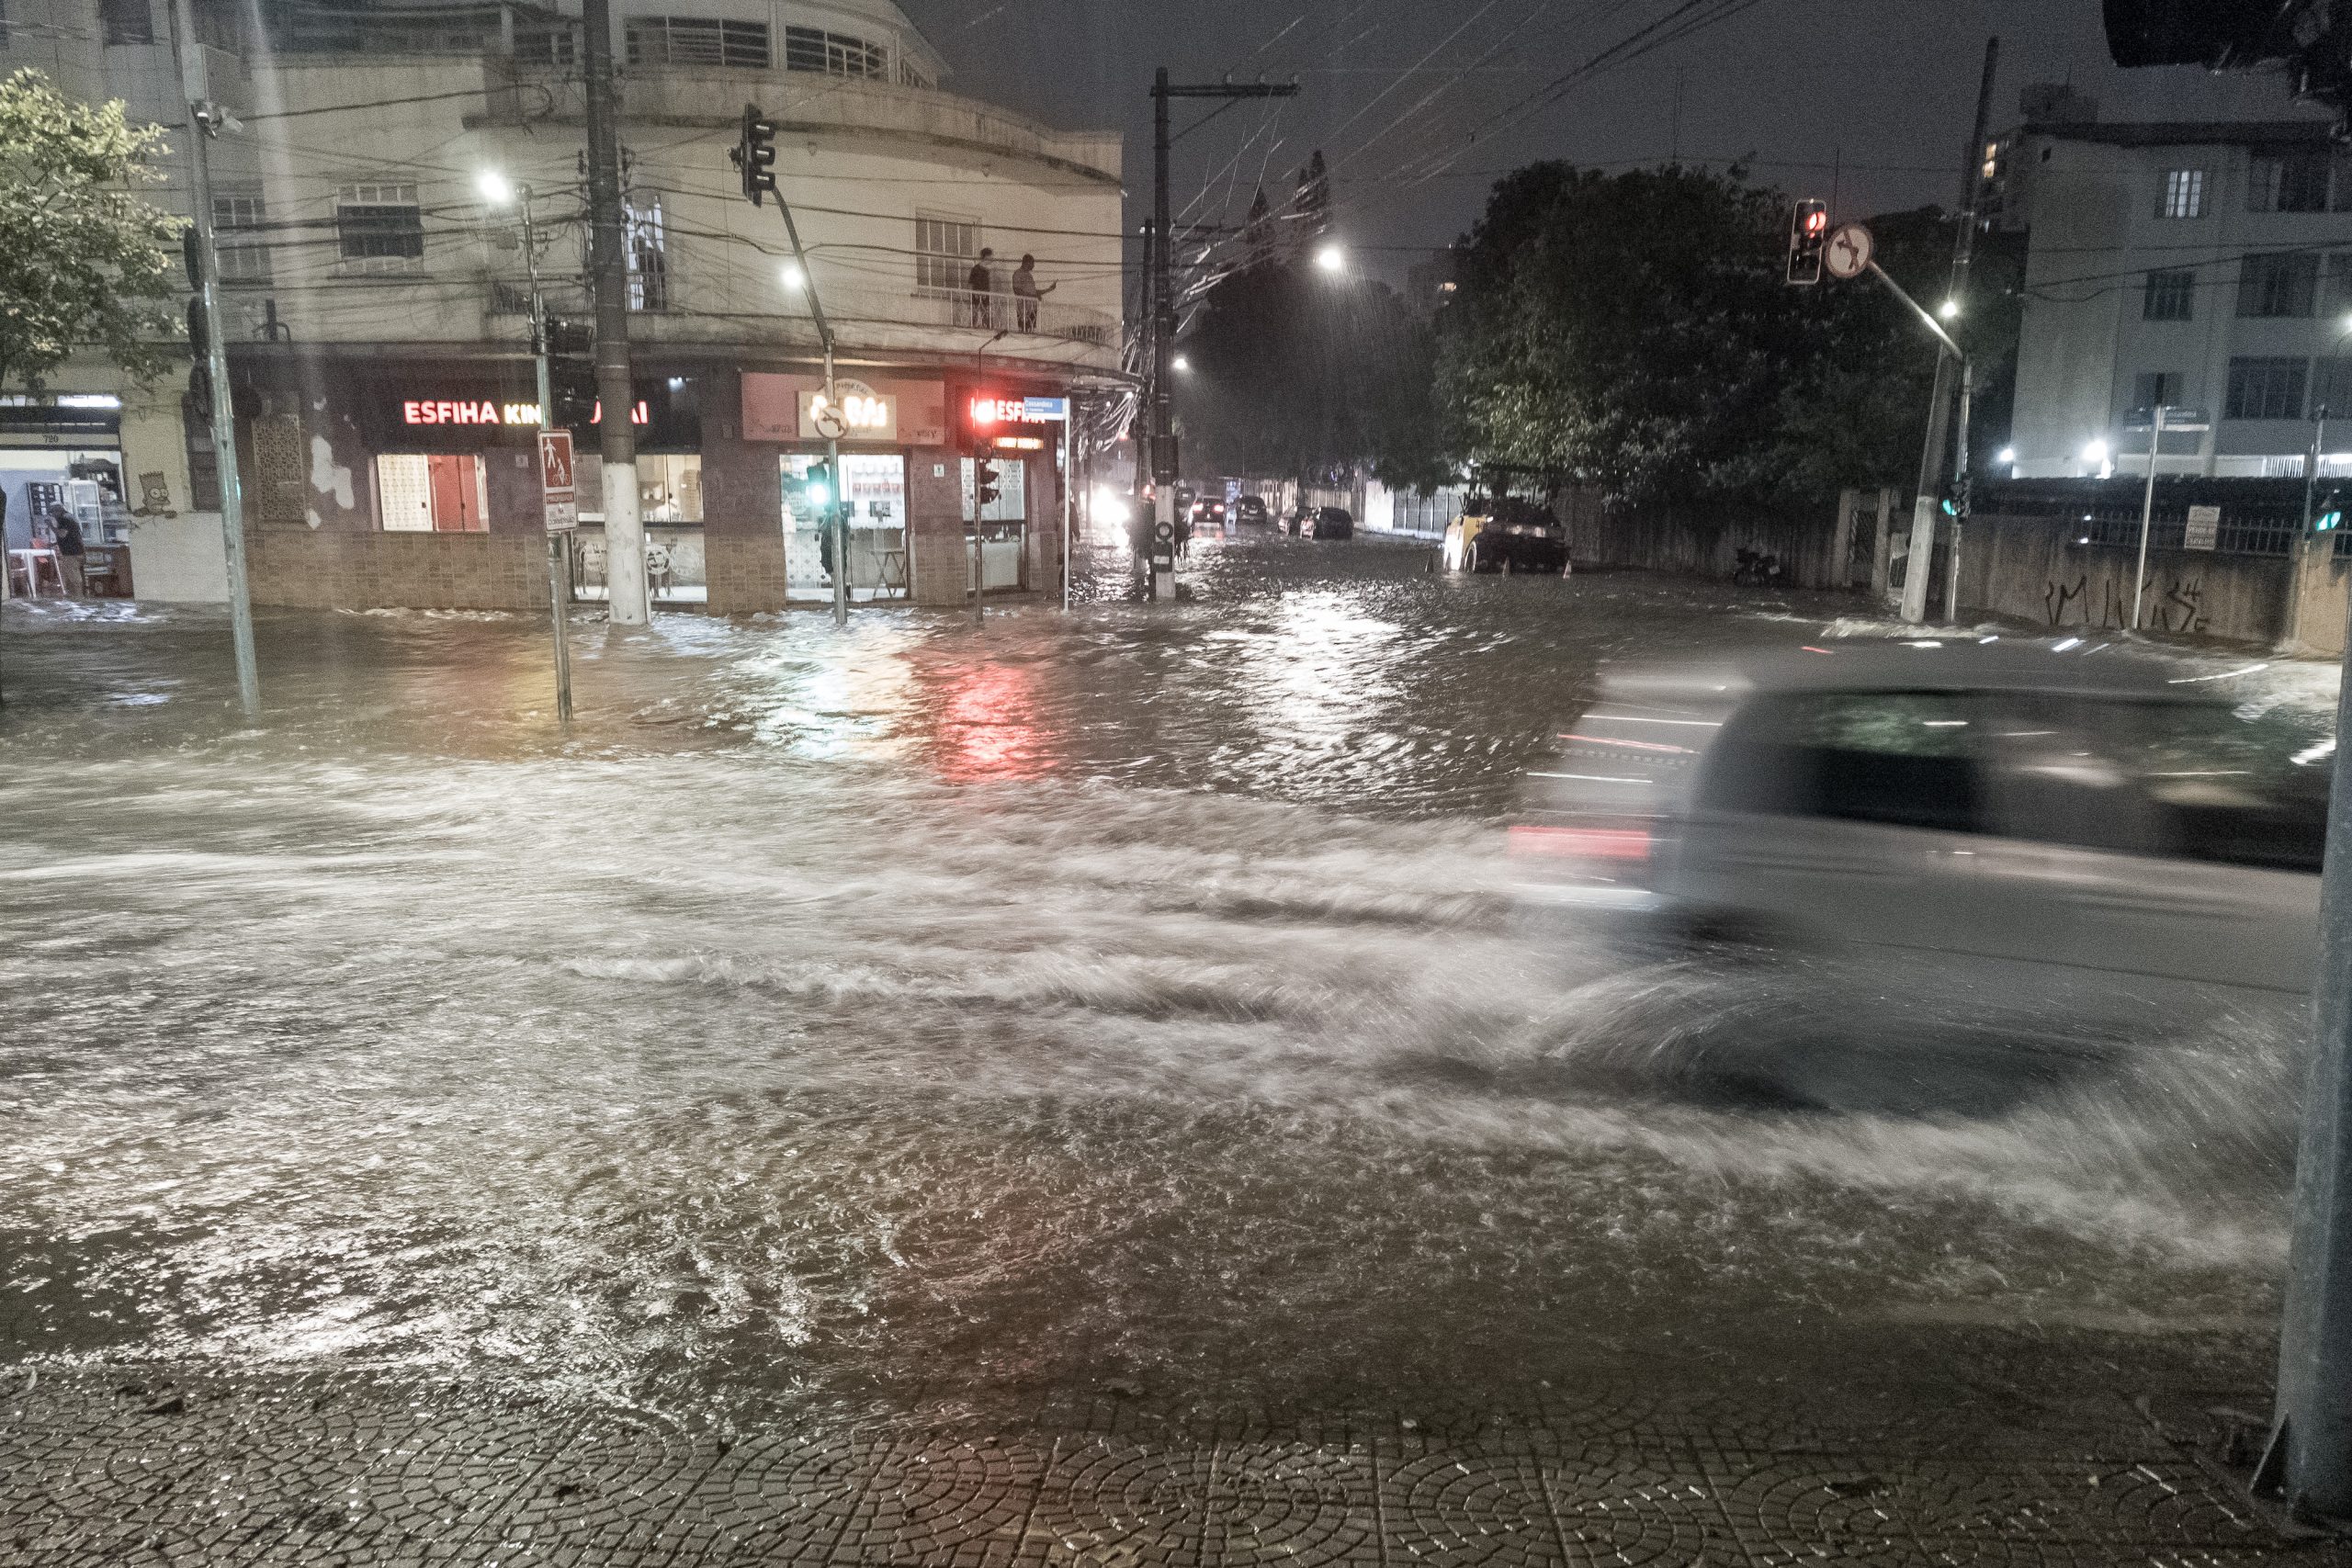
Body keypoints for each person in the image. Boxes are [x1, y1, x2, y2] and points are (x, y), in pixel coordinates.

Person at [48, 503, 85, 598]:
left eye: (53, 513)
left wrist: (51, 526)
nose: (53, 516)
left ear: (58, 511)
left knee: (74, 576)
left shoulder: (65, 519)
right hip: (75, 551)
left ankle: (79, 597)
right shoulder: (69, 517)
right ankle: (72, 597)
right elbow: (69, 536)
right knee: (67, 576)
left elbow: (62, 534)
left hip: (72, 553)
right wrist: (54, 544)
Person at [1011, 254, 1055, 331]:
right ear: (1026, 263)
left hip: (1032, 308)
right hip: (1024, 308)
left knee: (1031, 330)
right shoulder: (1018, 274)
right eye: (1032, 263)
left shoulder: (1029, 276)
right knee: (1024, 330)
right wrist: (1032, 296)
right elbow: (1016, 290)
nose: (1033, 266)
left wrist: (1049, 289)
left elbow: (1034, 292)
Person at [967, 247, 995, 328]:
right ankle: (973, 327)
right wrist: (970, 297)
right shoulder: (976, 269)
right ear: (986, 256)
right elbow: (970, 284)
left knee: (986, 315)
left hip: (985, 297)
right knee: (975, 315)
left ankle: (987, 328)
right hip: (976, 297)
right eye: (991, 256)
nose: (992, 258)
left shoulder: (987, 271)